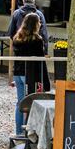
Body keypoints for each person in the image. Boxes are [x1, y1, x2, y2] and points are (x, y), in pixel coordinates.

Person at [11, 13, 49, 141]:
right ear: (35, 24)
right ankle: (30, 132)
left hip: (18, 72)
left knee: (20, 103)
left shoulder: (17, 38)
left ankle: (19, 131)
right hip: (31, 74)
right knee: (32, 102)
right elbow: (40, 59)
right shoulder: (37, 40)